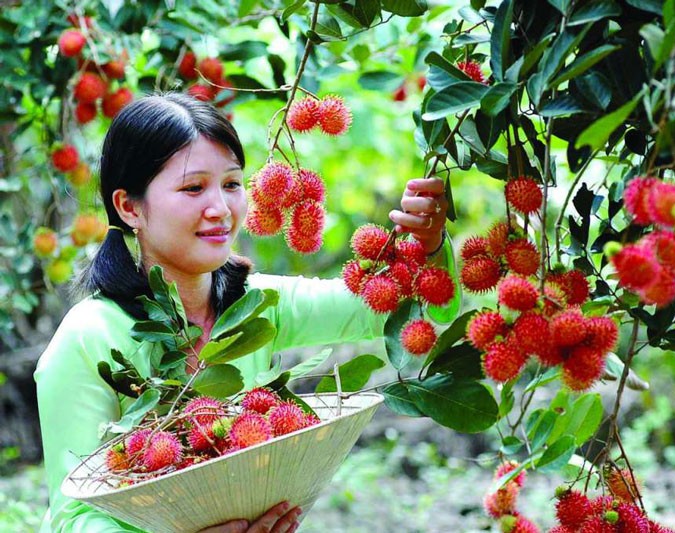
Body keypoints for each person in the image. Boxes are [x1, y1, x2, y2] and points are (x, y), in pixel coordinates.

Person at [34, 93, 453, 532]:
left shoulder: (255, 306)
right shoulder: (87, 338)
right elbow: (75, 517)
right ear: (129, 207)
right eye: (193, 187)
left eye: (232, 184)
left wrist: (427, 247)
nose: (220, 209)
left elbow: (400, 311)